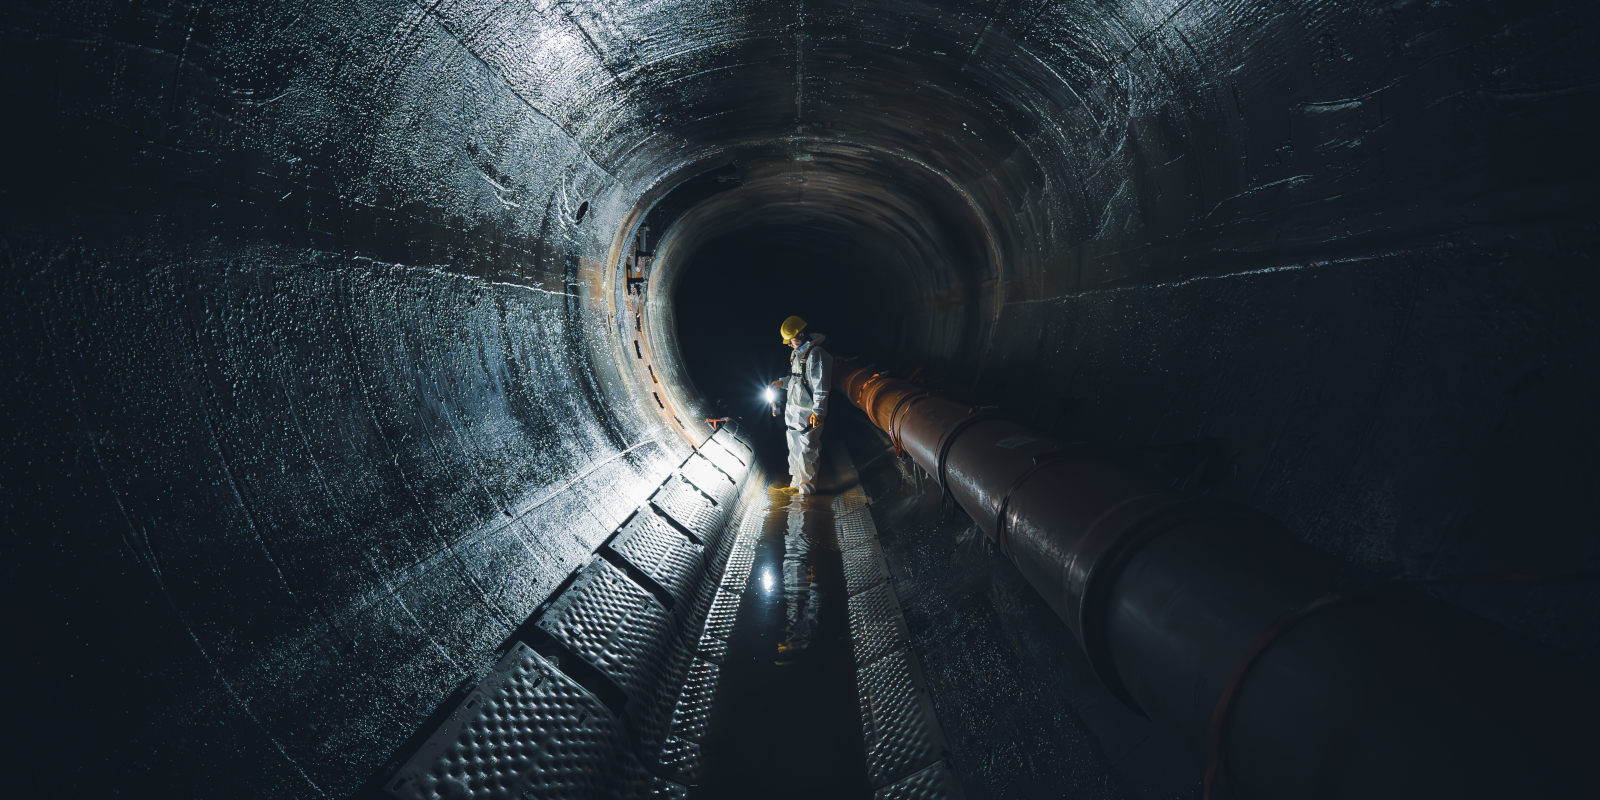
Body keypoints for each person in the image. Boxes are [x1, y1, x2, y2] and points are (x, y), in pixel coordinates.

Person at [770, 315, 832, 494]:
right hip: (794, 409)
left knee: (807, 451)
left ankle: (807, 493)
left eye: (791, 339)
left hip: (808, 412)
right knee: (794, 448)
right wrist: (782, 382)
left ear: (802, 334)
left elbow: (821, 386)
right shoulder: (797, 353)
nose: (789, 343)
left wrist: (818, 412)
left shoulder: (816, 354)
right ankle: (796, 484)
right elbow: (798, 379)